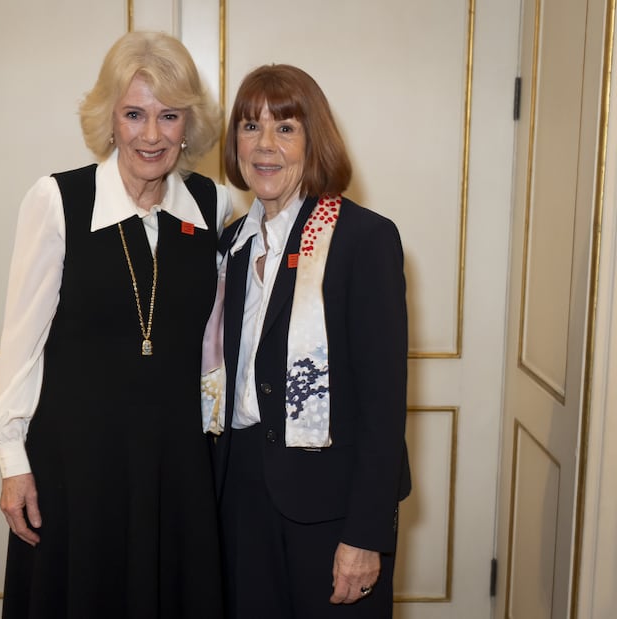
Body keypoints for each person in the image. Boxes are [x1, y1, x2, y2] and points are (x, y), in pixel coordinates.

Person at [0, 31, 231, 619]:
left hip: (176, 464)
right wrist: (13, 464)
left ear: (188, 124)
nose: (151, 135)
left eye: (169, 116)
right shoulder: (56, 201)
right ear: (110, 119)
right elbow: (21, 342)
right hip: (77, 460)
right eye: (134, 114)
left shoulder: (212, 205)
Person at [204, 64, 410, 618]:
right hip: (240, 496)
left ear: (312, 139)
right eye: (250, 127)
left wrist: (367, 535)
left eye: (285, 128)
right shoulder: (231, 248)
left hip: (329, 506)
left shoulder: (363, 239)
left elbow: (383, 405)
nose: (264, 146)